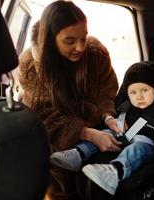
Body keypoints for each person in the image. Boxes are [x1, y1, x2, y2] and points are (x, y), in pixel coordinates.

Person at [17, 1, 120, 199]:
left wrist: (108, 117)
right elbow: (42, 115)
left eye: (84, 37)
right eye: (70, 41)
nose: (80, 47)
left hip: (98, 136)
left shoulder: (96, 52)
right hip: (55, 148)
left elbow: (107, 91)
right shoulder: (30, 64)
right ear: (50, 40)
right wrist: (85, 133)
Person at [50, 62, 154, 195]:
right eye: (133, 92)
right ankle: (79, 153)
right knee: (105, 133)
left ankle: (115, 172)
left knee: (136, 149)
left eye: (145, 90)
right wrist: (114, 122)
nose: (139, 96)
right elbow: (113, 120)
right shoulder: (126, 107)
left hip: (146, 146)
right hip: (124, 137)